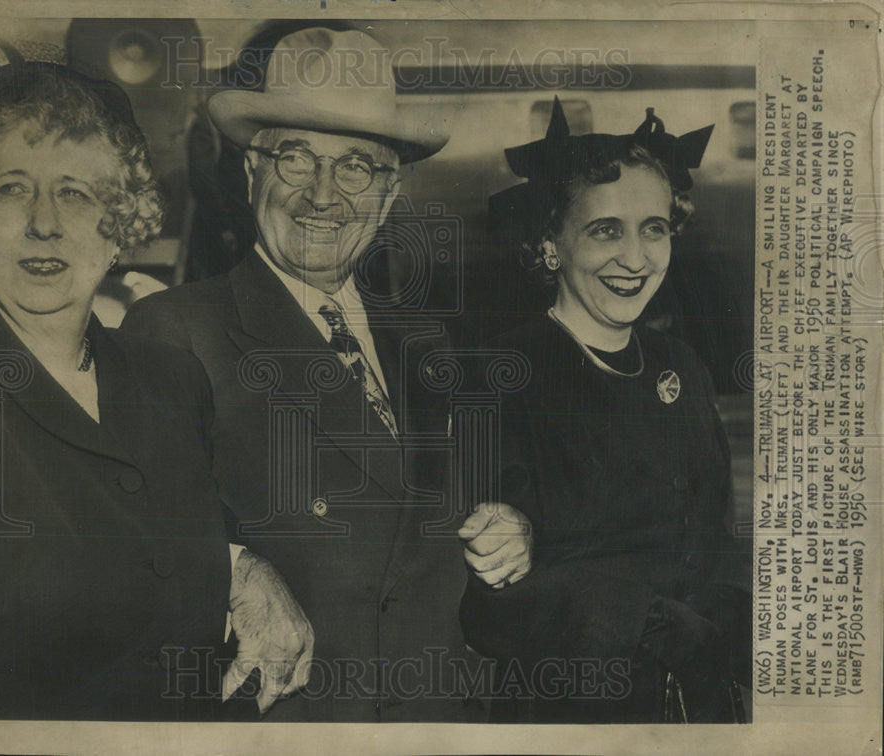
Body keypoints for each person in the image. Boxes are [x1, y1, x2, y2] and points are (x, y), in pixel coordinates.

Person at [0, 40, 313, 721]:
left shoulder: (172, 380)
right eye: (12, 188)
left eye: (76, 191)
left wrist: (243, 567)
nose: (45, 222)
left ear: (118, 221)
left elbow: (185, 542)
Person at [122, 27, 486, 722]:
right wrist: (236, 569)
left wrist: (510, 539)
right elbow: (124, 536)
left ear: (388, 192)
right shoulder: (175, 330)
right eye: (295, 157)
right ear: (252, 171)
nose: (323, 194)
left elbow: (439, 555)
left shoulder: (428, 342)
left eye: (354, 166)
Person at [458, 98, 751, 723]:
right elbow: (498, 598)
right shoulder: (501, 377)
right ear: (549, 245)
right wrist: (660, 627)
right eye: (604, 230)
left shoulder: (680, 365)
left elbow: (718, 537)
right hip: (575, 711)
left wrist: (727, 627)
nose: (636, 258)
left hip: (699, 703)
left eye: (654, 227)